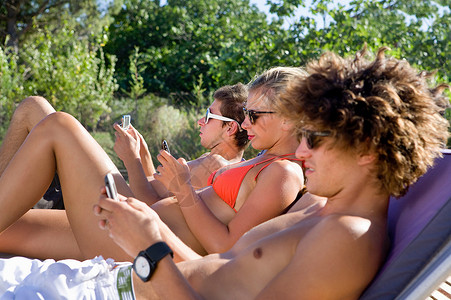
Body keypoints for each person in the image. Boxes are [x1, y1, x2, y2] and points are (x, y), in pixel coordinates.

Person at [94, 47, 449, 299]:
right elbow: (223, 269)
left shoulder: (347, 239)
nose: (300, 150)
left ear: (367, 150)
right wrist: (152, 232)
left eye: (314, 138)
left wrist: (148, 252)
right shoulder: (320, 205)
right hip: (120, 282)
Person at [0, 67, 305, 259]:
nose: (245, 123)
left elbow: (226, 249)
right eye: (245, 113)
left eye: (254, 115)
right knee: (9, 230)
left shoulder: (283, 172)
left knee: (58, 124)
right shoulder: (261, 161)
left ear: (289, 119)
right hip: (124, 225)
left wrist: (183, 189)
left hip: (133, 245)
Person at [112, 83, 249, 203]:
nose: (200, 121)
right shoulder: (229, 164)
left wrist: (131, 159)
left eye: (208, 115)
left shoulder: (215, 165)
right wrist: (143, 152)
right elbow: (159, 192)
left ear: (230, 128)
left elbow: (149, 204)